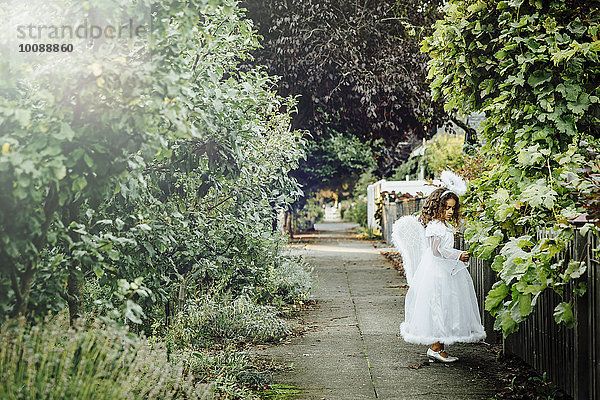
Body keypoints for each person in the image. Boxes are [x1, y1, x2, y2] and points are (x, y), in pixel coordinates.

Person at [393, 174, 486, 363]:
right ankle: (436, 348)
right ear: (438, 207)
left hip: (446, 269)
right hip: (437, 271)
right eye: (447, 207)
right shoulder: (436, 226)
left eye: (453, 208)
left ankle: (438, 347)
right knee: (438, 305)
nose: (450, 211)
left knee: (446, 306)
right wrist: (458, 255)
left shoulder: (443, 225)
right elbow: (436, 251)